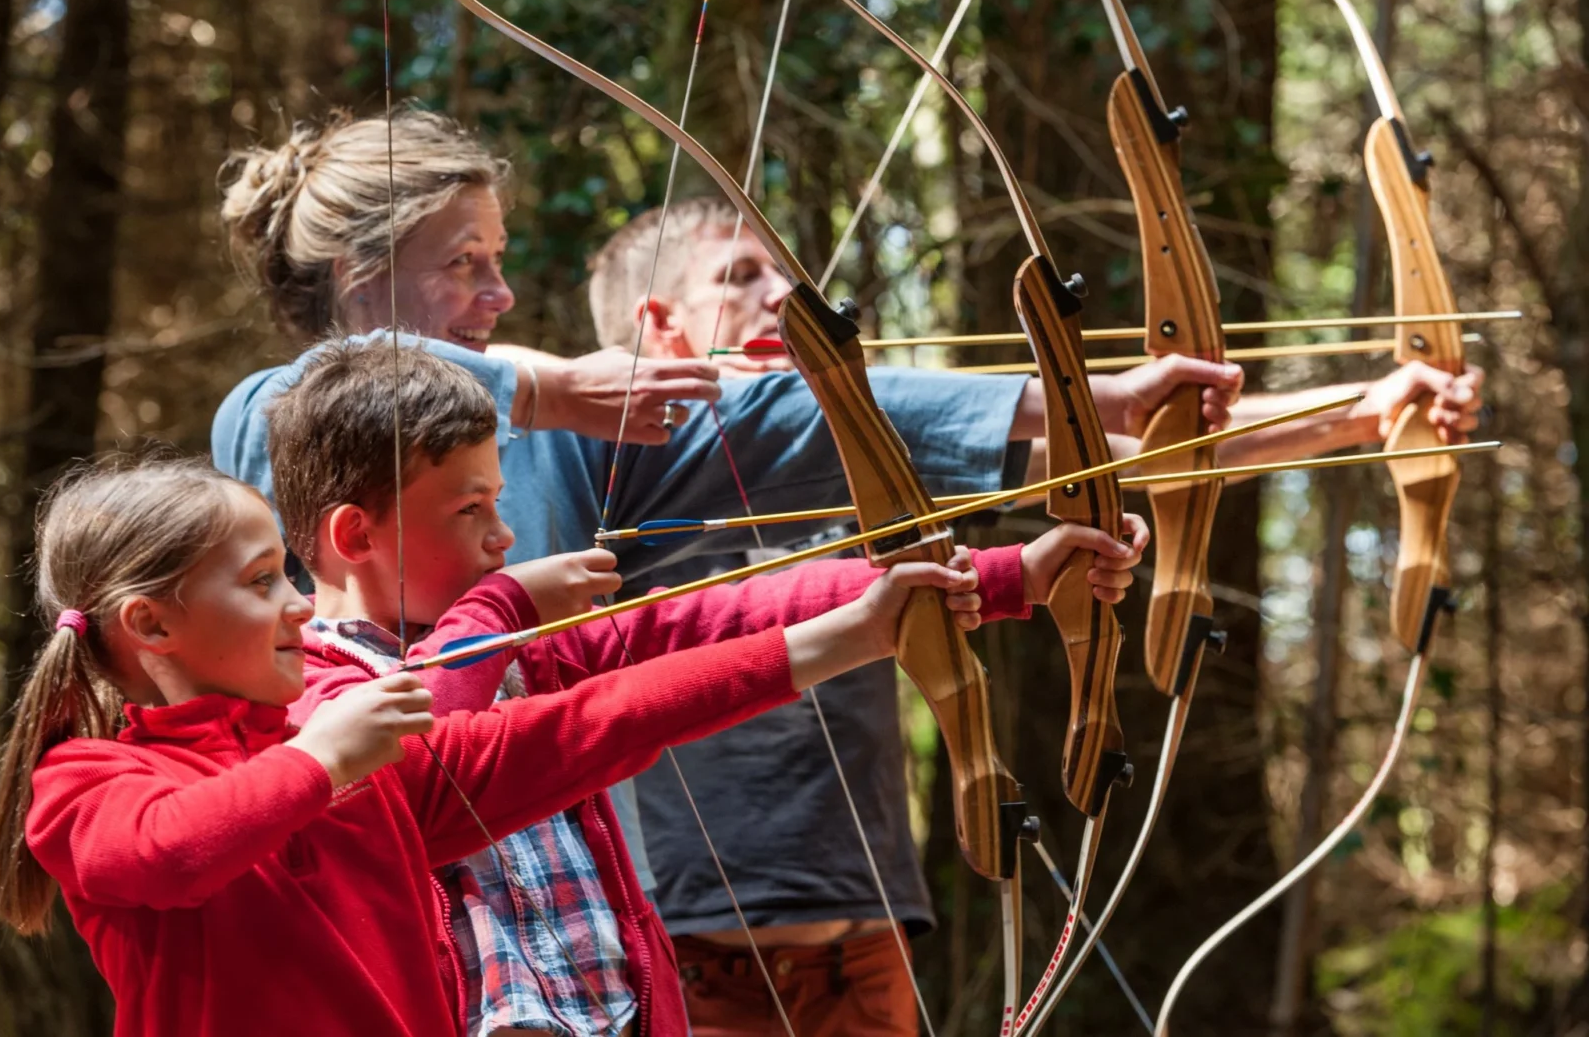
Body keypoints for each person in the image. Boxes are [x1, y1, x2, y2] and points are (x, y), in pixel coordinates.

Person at [208, 107, 1244, 900]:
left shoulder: (573, 437)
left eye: (500, 261)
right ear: (357, 276)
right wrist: (552, 384)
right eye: (463, 263)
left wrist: (1081, 397)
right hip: (369, 900)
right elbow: (334, 386)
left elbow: (803, 416)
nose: (500, 294)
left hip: (582, 892)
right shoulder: (271, 415)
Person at [590, 197, 1488, 1037]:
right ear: (660, 328)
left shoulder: (867, 465)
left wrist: (1363, 412)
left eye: (778, 271)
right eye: (738, 278)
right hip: (695, 959)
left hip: (868, 950)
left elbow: (1133, 456)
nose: (783, 293)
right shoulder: (619, 475)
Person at [0, 442, 1135, 1037]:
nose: (297, 605)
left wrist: (850, 635)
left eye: (287, 577)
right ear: (151, 628)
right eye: (257, 583)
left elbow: (600, 717)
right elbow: (168, 854)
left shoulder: (357, 744)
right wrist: (324, 757)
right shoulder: (89, 778)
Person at [263, 338, 1148, 1037]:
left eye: (500, 501)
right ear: (354, 534)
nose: (504, 536)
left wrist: (1003, 578)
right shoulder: (309, 695)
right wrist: (497, 607)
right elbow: (435, 754)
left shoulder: (527, 650)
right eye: (470, 510)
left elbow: (721, 618)